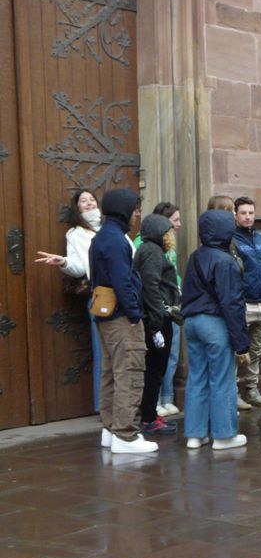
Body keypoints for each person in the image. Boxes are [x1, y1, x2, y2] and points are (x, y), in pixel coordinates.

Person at [90, 188, 155, 454]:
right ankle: (126, 435)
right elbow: (123, 281)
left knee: (111, 373)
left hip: (106, 314)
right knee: (129, 372)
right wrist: (135, 314)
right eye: (135, 209)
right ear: (124, 210)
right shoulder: (116, 239)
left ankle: (110, 429)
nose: (137, 215)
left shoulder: (102, 236)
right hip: (121, 317)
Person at [180, 210, 250, 450]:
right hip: (215, 323)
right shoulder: (225, 261)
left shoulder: (195, 256)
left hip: (191, 322)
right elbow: (232, 304)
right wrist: (242, 343)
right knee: (222, 379)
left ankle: (195, 435)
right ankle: (224, 435)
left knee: (197, 377)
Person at [35, 189, 104, 410]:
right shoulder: (76, 234)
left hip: (123, 293)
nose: (89, 203)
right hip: (101, 294)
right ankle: (104, 406)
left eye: (92, 199)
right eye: (84, 201)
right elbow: (78, 267)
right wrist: (63, 262)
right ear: (77, 208)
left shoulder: (110, 228)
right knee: (103, 351)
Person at [133, 214, 180, 437]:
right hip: (157, 319)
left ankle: (149, 412)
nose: (171, 236)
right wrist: (157, 320)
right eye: (168, 231)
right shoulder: (152, 251)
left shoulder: (149, 249)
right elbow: (150, 285)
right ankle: (149, 418)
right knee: (155, 368)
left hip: (155, 317)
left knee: (155, 368)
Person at [232, 196, 261, 409]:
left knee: (256, 351)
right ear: (235, 215)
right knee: (236, 351)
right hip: (244, 304)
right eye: (243, 213)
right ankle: (234, 393)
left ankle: (252, 390)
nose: (248, 217)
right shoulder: (232, 240)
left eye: (251, 212)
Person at [153, 203, 183, 417]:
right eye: (175, 220)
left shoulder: (170, 244)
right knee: (157, 356)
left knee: (172, 353)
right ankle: (154, 401)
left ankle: (167, 397)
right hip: (159, 306)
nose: (179, 225)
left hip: (174, 304)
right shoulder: (147, 245)